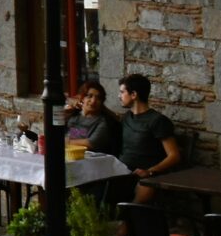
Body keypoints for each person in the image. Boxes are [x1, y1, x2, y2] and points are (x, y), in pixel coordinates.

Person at [116, 72, 186, 201]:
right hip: (123, 173)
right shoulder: (126, 118)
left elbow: (174, 156)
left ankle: (128, 214)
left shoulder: (157, 121)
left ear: (133, 94)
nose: (119, 96)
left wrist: (150, 171)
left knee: (145, 187)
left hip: (146, 176)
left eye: (122, 92)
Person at [64, 80, 123, 156]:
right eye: (90, 96)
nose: (93, 101)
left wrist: (65, 142)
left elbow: (91, 143)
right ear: (82, 98)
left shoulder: (103, 121)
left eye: (98, 98)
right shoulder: (73, 114)